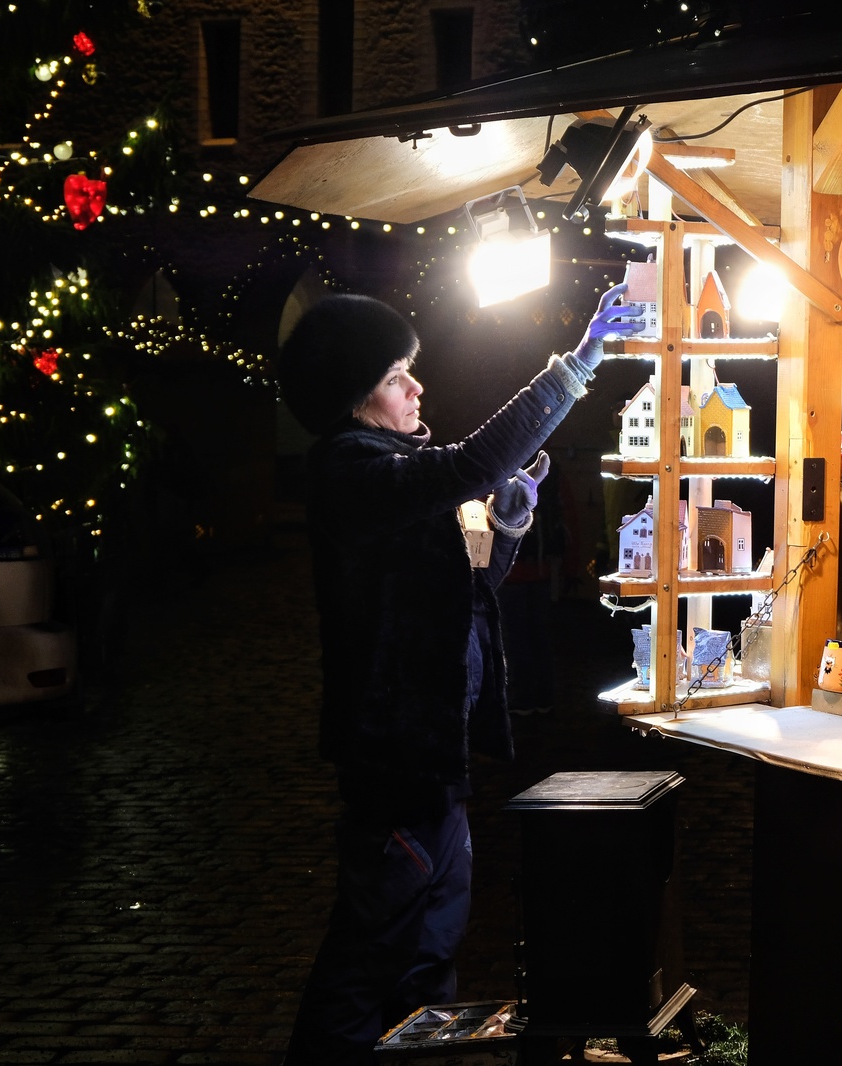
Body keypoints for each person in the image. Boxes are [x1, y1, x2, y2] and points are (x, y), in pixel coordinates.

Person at [277, 285, 642, 1065]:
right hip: (395, 762)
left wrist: (509, 520)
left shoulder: (399, 466)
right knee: (368, 964)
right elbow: (477, 459)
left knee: (428, 964)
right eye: (395, 374)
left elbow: (472, 586)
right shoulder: (350, 468)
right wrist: (578, 365)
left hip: (436, 762)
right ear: (354, 394)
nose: (416, 386)